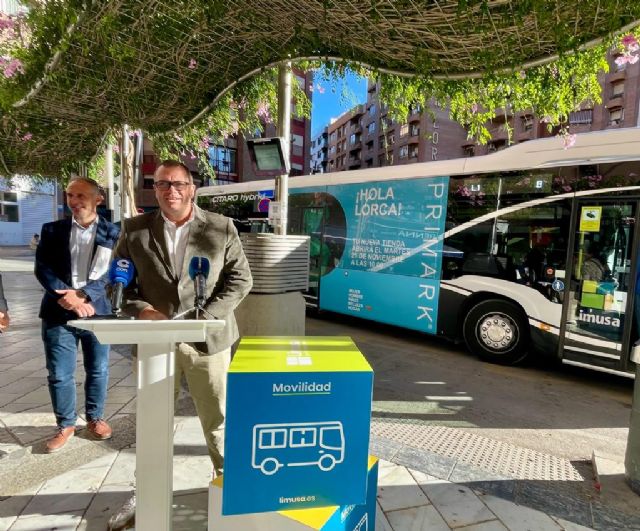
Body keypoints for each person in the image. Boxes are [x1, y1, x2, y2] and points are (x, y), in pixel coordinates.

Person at [108, 160, 252, 530]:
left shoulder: (221, 227)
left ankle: (230, 490)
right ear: (154, 190)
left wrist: (208, 317)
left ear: (192, 188)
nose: (170, 190)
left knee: (218, 421)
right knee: (153, 424)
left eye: (178, 183)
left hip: (209, 341)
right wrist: (142, 311)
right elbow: (119, 284)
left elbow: (240, 279)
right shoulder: (135, 230)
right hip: (155, 342)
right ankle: (147, 495)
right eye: (161, 185)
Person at [35, 177, 120, 453]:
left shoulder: (114, 233)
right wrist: (69, 298)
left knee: (99, 369)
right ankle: (66, 424)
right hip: (59, 312)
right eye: (70, 195)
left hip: (98, 312)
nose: (74, 201)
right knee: (59, 373)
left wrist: (85, 296)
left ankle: (95, 419)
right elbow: (43, 268)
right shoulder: (51, 230)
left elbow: (118, 271)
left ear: (98, 199)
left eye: (81, 195)